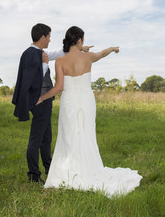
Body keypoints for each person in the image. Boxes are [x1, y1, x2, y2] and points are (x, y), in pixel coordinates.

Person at [36, 26, 142, 198]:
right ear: (79, 40)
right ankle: (88, 169)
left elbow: (59, 87)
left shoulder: (61, 62)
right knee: (86, 134)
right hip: (86, 101)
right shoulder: (88, 57)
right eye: (82, 40)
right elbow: (102, 53)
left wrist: (42, 97)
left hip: (69, 102)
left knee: (68, 136)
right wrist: (113, 48)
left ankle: (66, 172)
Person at [12, 23, 91, 184]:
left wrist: (79, 48)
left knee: (46, 138)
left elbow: (58, 53)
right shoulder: (30, 54)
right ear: (42, 37)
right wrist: (45, 64)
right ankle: (33, 175)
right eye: (48, 36)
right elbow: (32, 79)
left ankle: (50, 169)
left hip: (45, 101)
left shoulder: (39, 52)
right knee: (36, 139)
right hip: (40, 101)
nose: (49, 40)